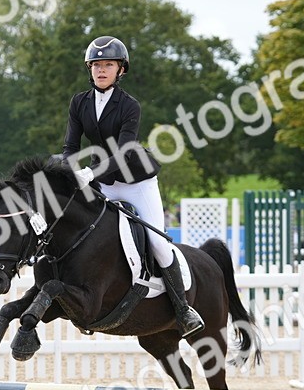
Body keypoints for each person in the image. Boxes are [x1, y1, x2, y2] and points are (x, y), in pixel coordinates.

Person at [62, 35, 203, 336]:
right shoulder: (79, 102)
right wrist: (72, 171)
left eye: (108, 65)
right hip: (102, 182)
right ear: (89, 69)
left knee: (159, 244)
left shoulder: (129, 106)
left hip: (135, 181)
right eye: (96, 65)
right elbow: (70, 146)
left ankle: (183, 309)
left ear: (120, 70)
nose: (101, 70)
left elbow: (123, 152)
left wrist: (90, 172)